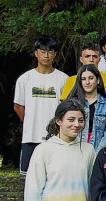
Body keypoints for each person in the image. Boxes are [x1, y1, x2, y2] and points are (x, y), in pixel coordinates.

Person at [14, 37, 69, 174]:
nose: (46, 55)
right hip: (31, 137)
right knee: (31, 176)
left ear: (55, 54)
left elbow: (67, 108)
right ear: (36, 53)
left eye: (50, 51)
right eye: (42, 51)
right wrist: (30, 123)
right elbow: (18, 106)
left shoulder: (64, 79)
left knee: (55, 174)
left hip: (56, 138)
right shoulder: (25, 79)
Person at [65, 64, 106, 153]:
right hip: (74, 150)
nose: (87, 82)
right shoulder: (72, 103)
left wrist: (97, 153)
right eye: (83, 79)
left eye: (91, 78)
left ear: (98, 80)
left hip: (100, 150)